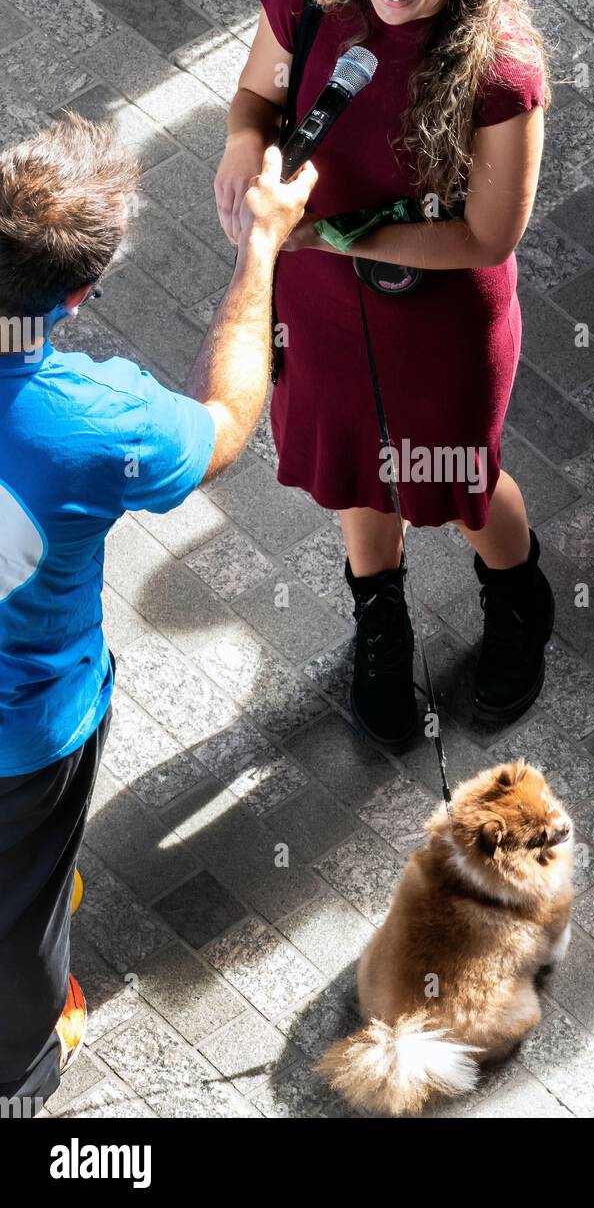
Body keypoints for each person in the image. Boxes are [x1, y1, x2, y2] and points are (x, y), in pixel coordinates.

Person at [0, 113, 316, 1112]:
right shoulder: (101, 424)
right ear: (82, 292)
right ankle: (18, 1067)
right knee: (21, 912)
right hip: (24, 736)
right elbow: (226, 421)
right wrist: (262, 242)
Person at [215, 0, 555, 749]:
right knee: (357, 470)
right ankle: (380, 620)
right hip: (321, 303)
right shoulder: (308, 2)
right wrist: (244, 144)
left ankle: (517, 596)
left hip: (439, 315)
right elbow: (255, 97)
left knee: (459, 479)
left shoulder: (502, 69)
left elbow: (489, 235)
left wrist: (322, 233)